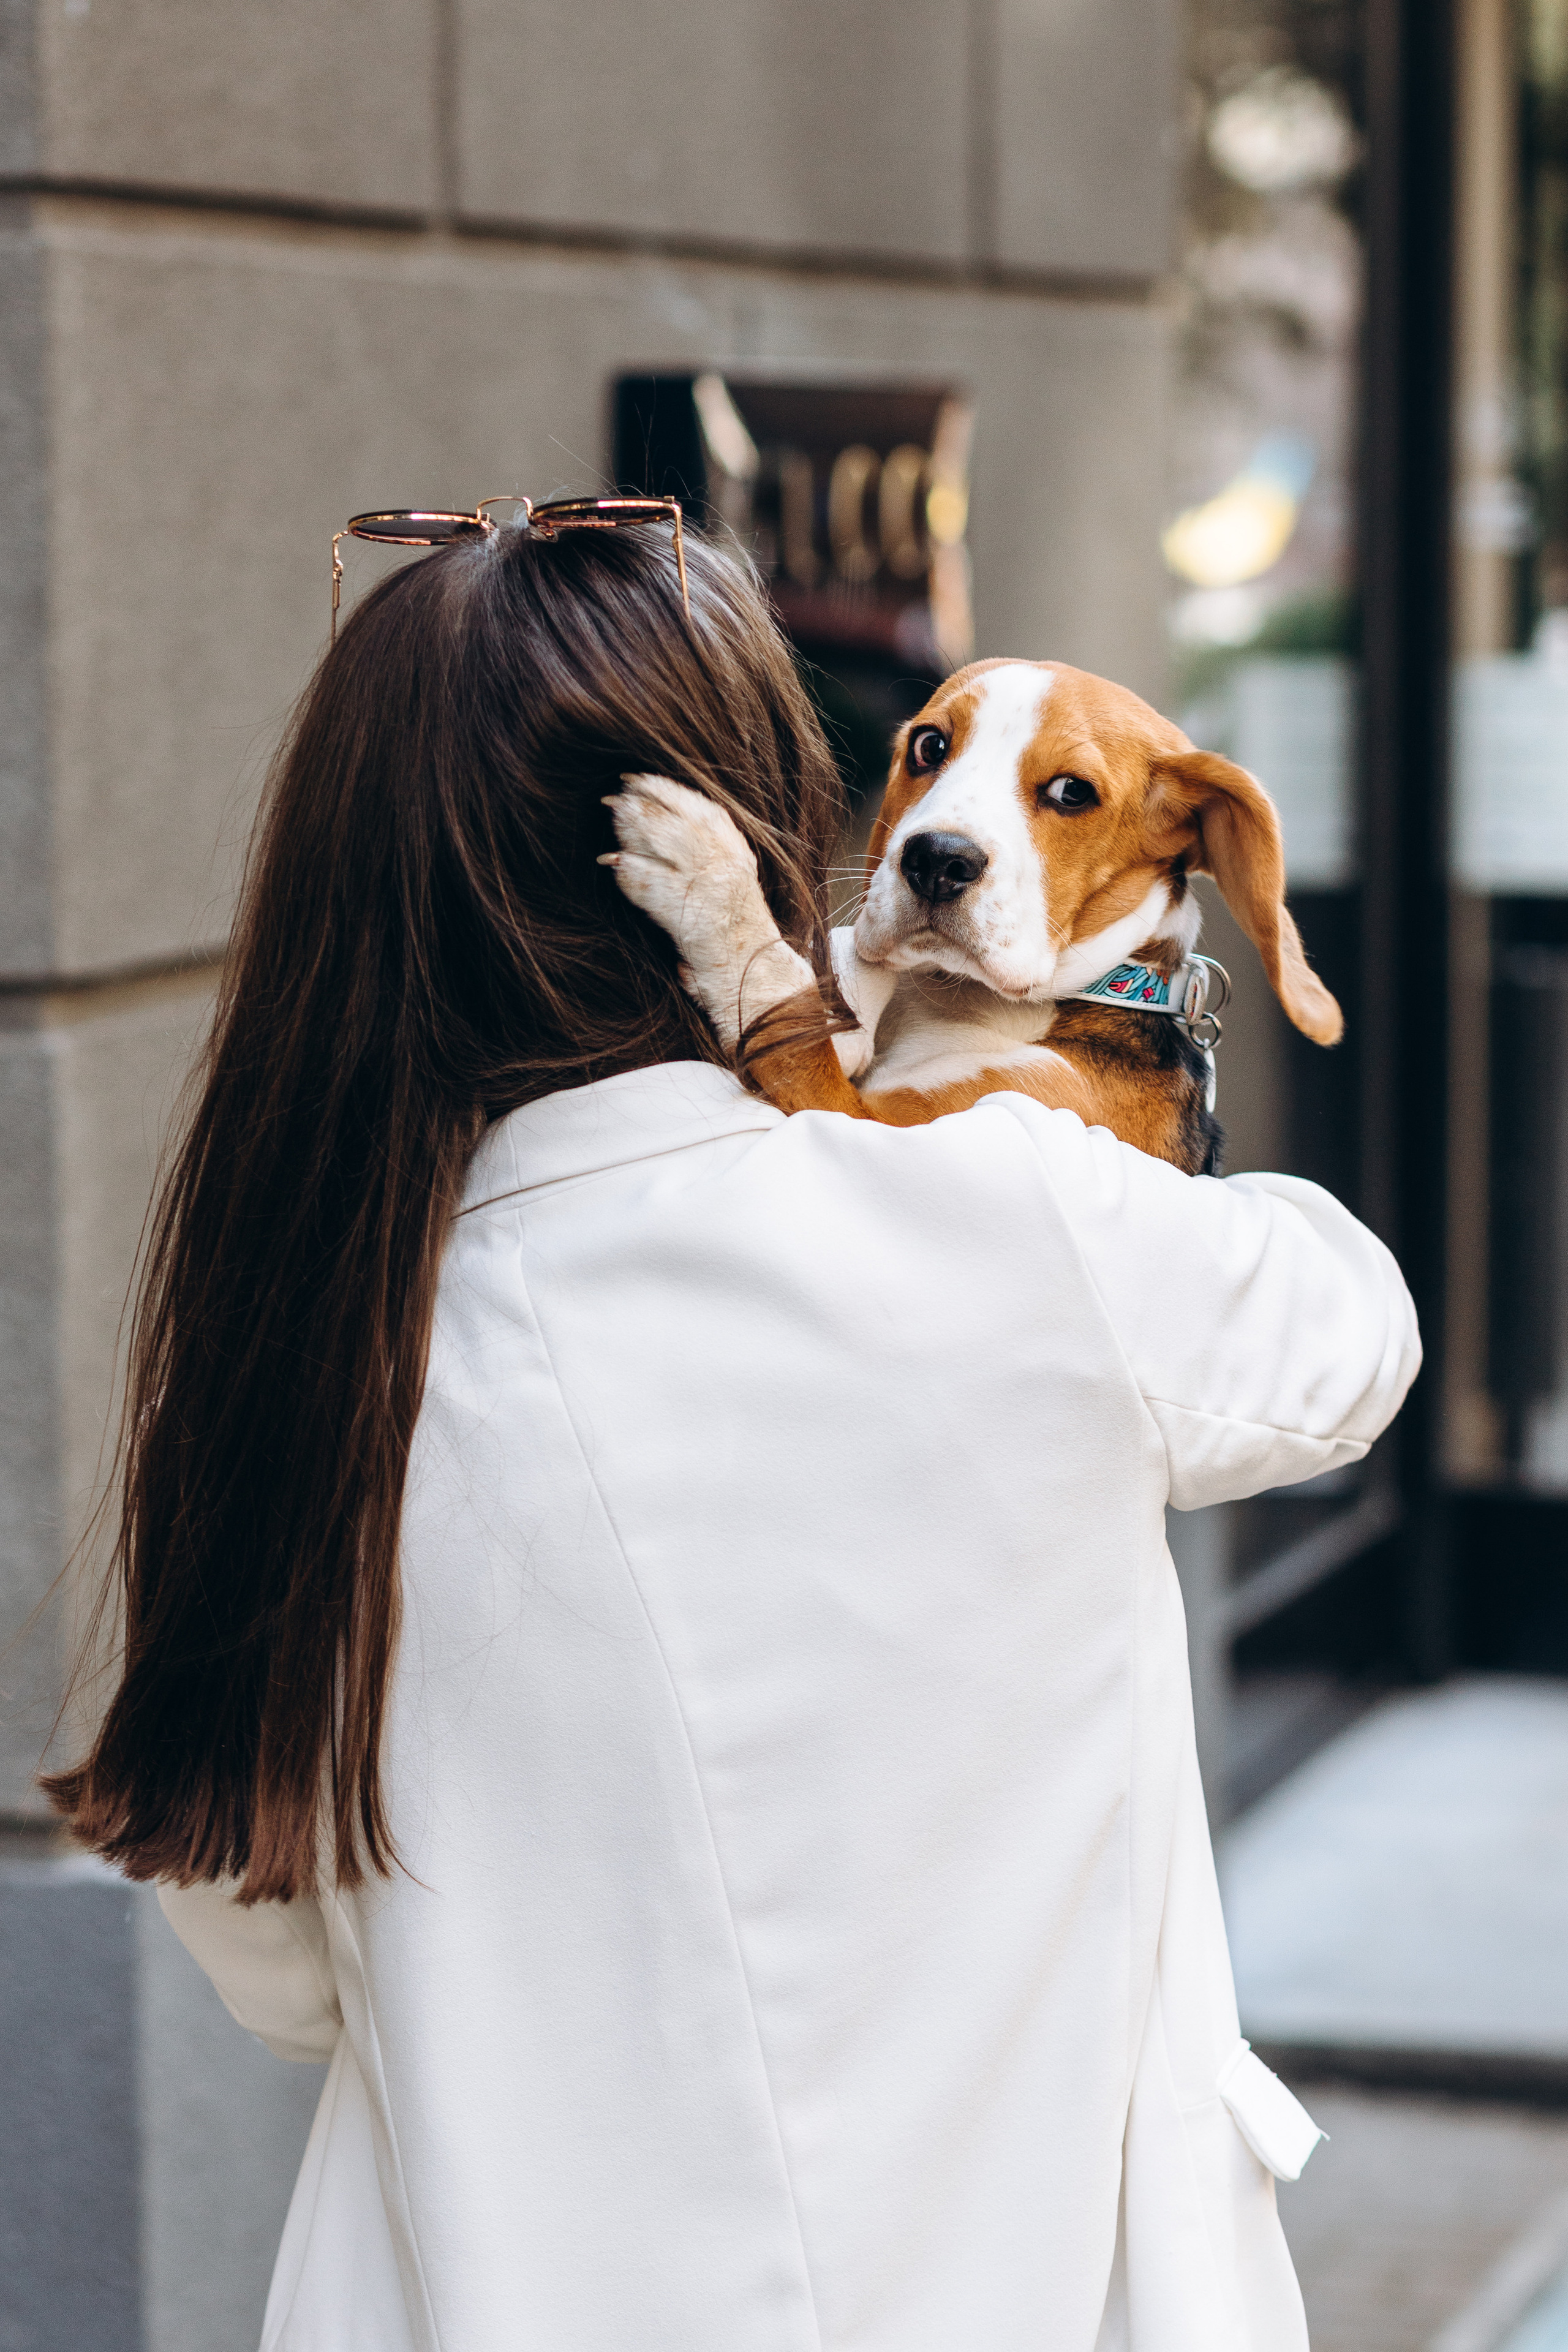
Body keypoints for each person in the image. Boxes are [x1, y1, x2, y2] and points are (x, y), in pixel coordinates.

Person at [45, 514, 1419, 2352]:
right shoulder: (1023, 1217)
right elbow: (1352, 1333)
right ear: (768, 831)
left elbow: (288, 1976)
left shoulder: (294, 1375)